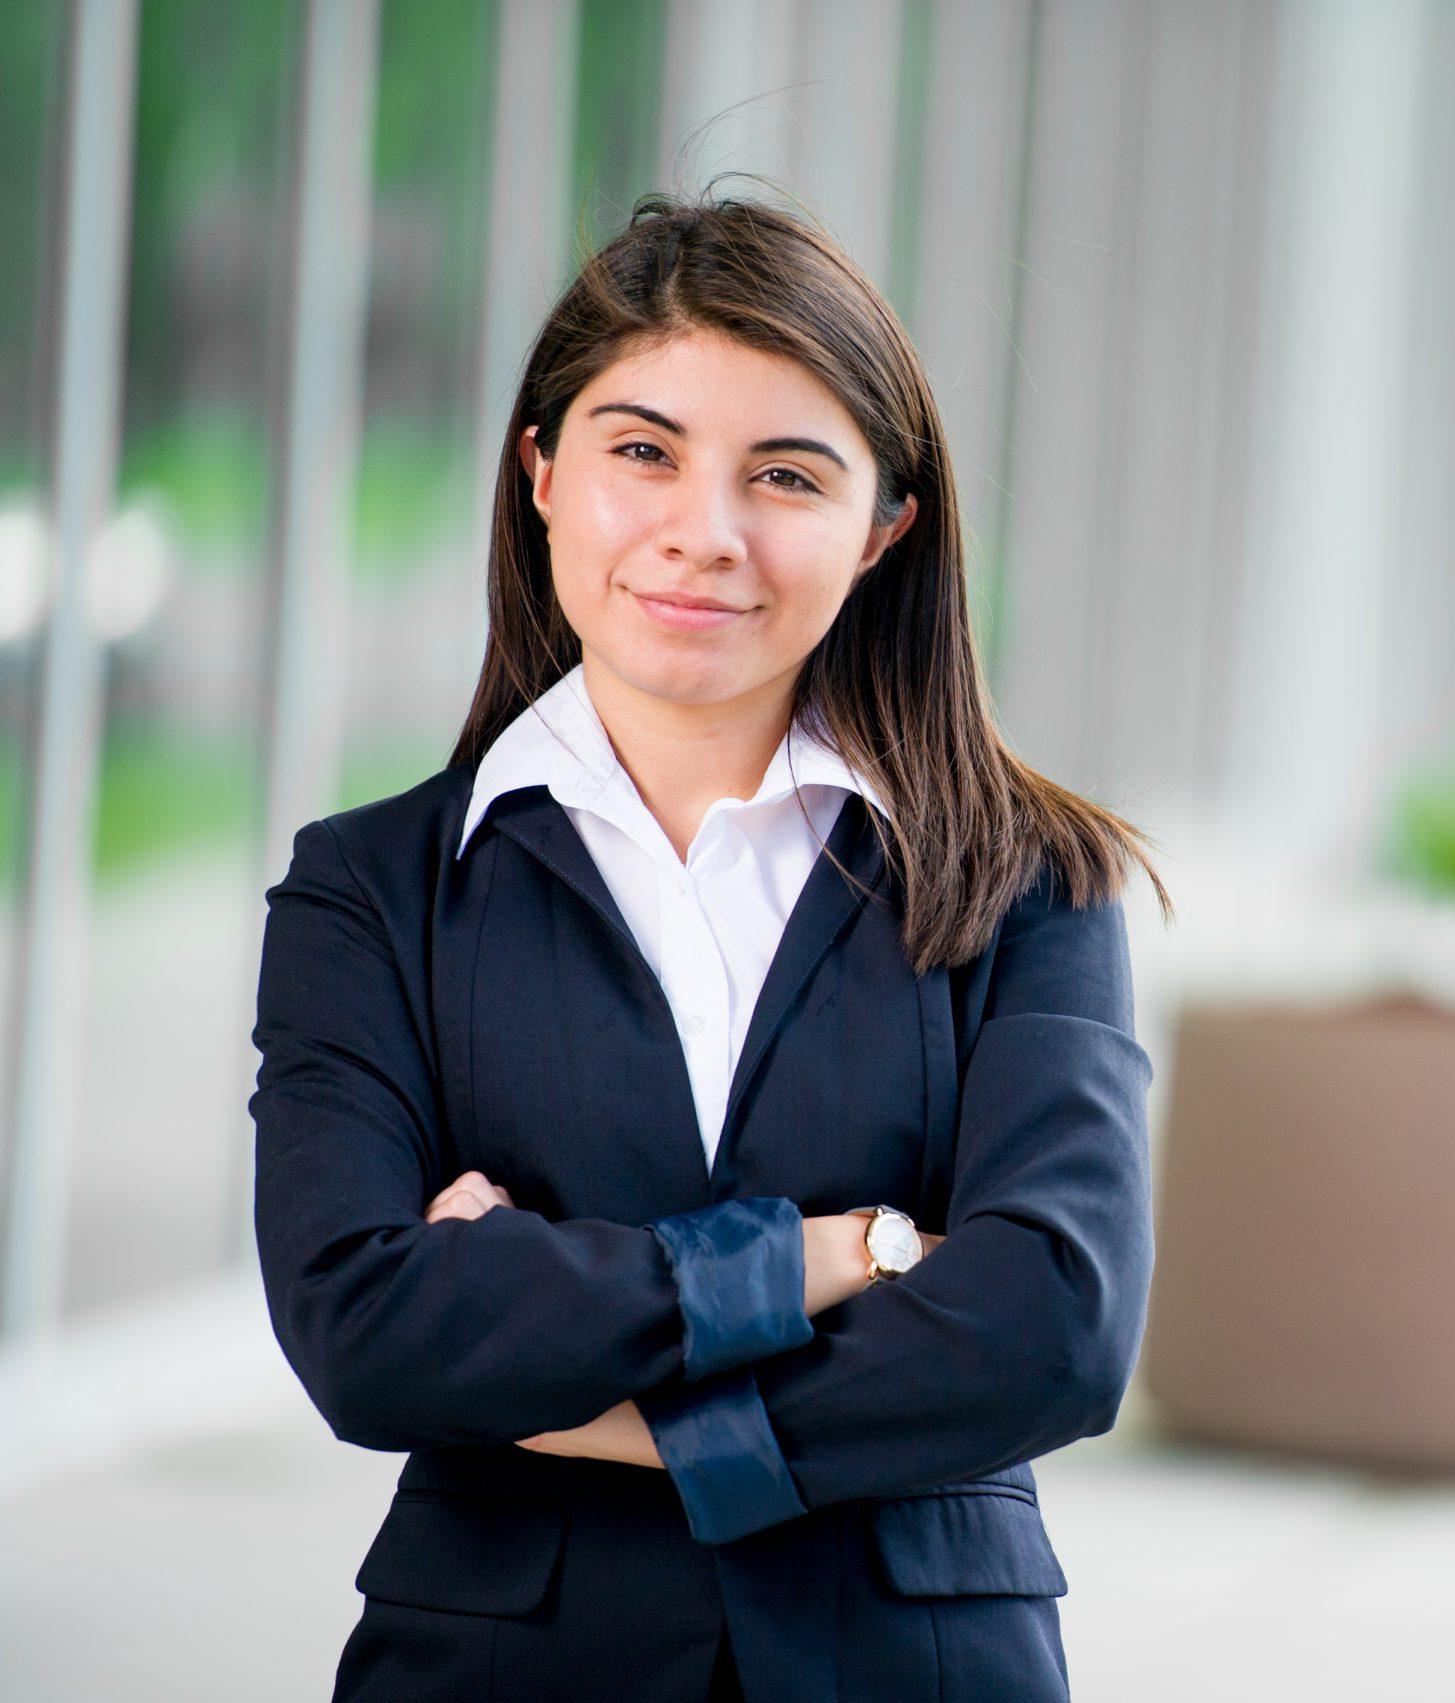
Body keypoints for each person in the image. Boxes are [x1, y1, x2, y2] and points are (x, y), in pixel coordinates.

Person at [248, 188, 1171, 1703]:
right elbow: (367, 1332)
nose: (705, 533)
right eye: (641, 451)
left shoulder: (1023, 879)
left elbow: (1055, 1329)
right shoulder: (374, 892)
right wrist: (844, 1254)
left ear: (885, 532)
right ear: (540, 474)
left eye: (788, 477)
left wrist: (596, 1397)